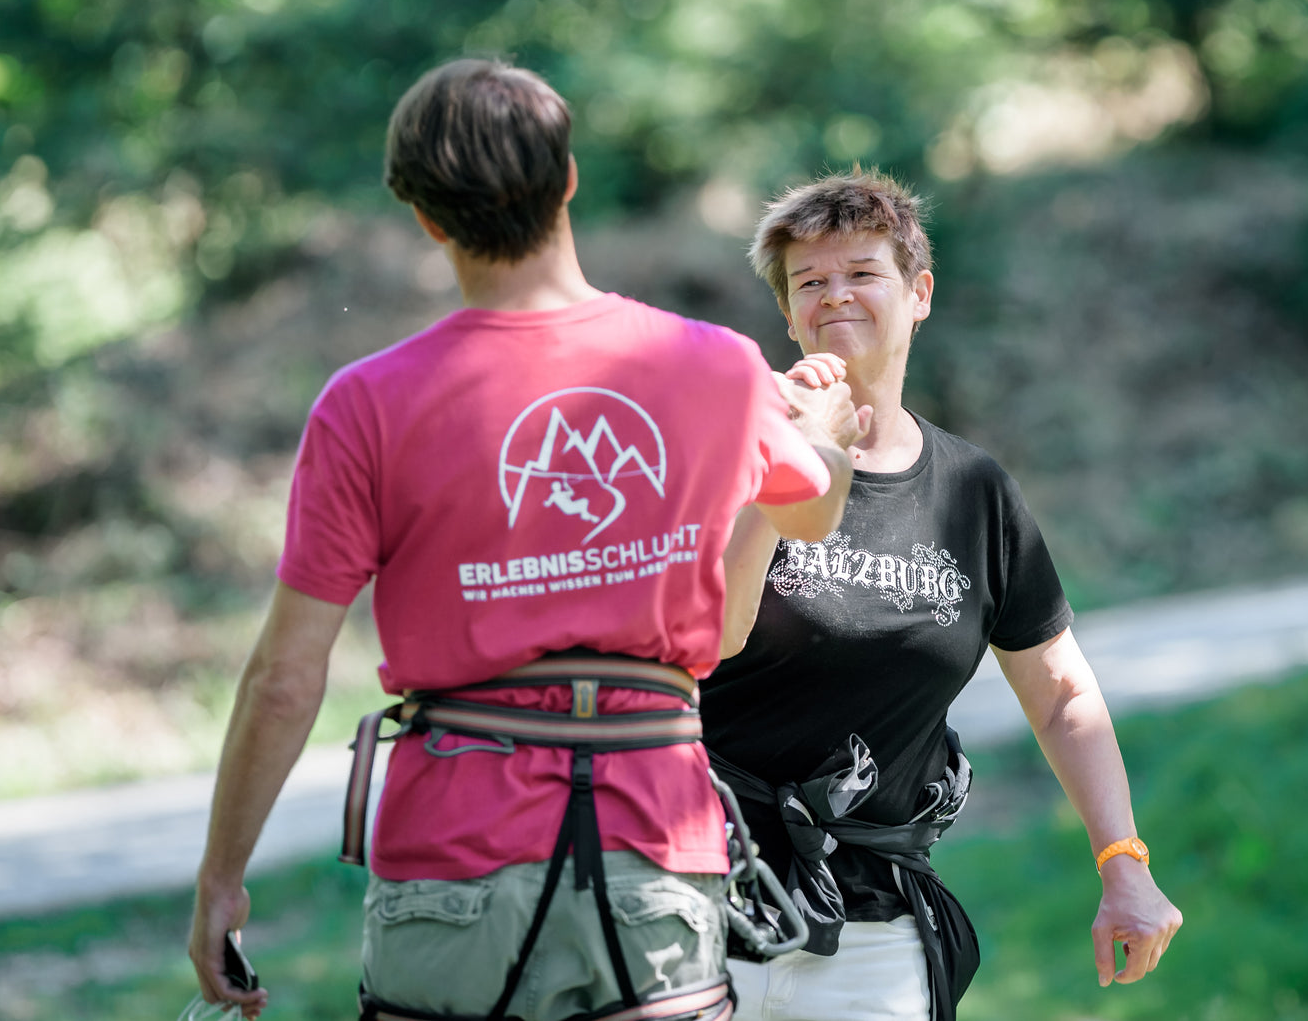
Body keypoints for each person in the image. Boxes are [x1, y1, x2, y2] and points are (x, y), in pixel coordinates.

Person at [185, 59, 869, 1021]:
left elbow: (285, 678)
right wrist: (826, 437)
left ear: (426, 218)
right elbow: (809, 509)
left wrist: (222, 877)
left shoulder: (367, 404)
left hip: (449, 859)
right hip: (654, 852)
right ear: (569, 179)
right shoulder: (714, 364)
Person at [698, 168, 1183, 1021]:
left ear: (918, 293)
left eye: (862, 272)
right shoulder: (720, 454)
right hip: (697, 899)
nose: (834, 294)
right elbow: (704, 639)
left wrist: (1123, 860)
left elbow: (1060, 692)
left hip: (873, 934)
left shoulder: (972, 491)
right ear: (787, 312)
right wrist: (790, 459)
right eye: (809, 281)